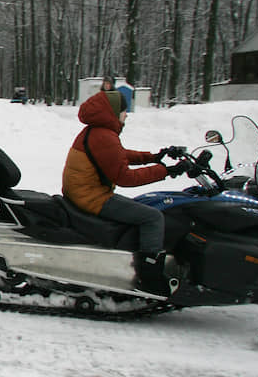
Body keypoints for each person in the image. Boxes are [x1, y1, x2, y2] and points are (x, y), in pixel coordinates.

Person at [61, 90, 192, 296]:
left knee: (148, 206)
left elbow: (118, 155)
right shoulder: (103, 135)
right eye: (124, 110)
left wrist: (155, 157)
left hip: (83, 193)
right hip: (91, 197)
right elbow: (125, 178)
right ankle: (149, 275)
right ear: (112, 112)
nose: (127, 114)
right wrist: (166, 170)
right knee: (153, 217)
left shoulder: (97, 132)